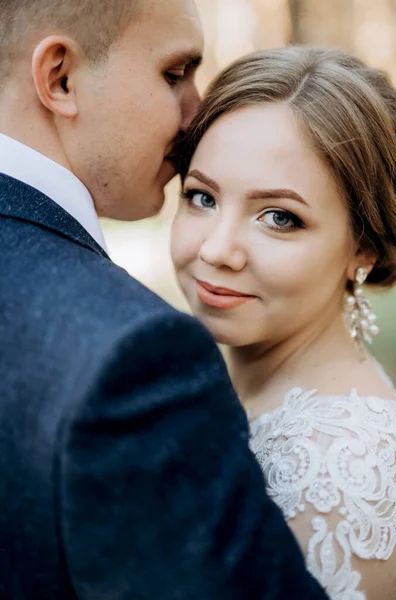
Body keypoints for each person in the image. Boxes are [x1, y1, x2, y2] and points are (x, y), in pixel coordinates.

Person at [0, 1, 328, 599]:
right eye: (174, 74)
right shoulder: (133, 356)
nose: (196, 115)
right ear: (60, 78)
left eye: (278, 216)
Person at [171, 46, 396, 599]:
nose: (218, 249)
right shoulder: (218, 388)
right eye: (202, 197)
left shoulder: (338, 474)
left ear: (361, 249)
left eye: (279, 217)